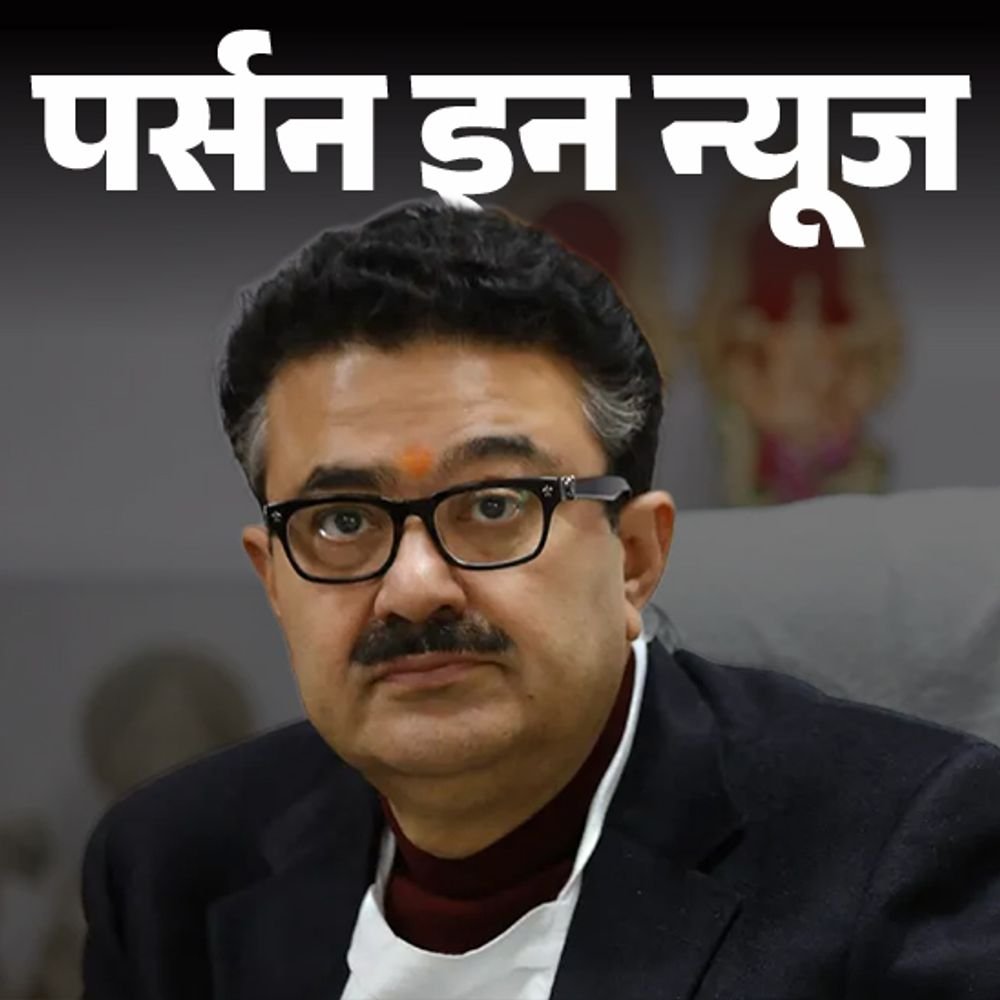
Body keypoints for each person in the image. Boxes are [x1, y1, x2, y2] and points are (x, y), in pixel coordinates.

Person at [80, 199, 1000, 1000]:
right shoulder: (170, 869)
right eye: (344, 520)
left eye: (492, 506)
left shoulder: (901, 857)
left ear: (634, 558)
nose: (413, 589)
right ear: (274, 579)